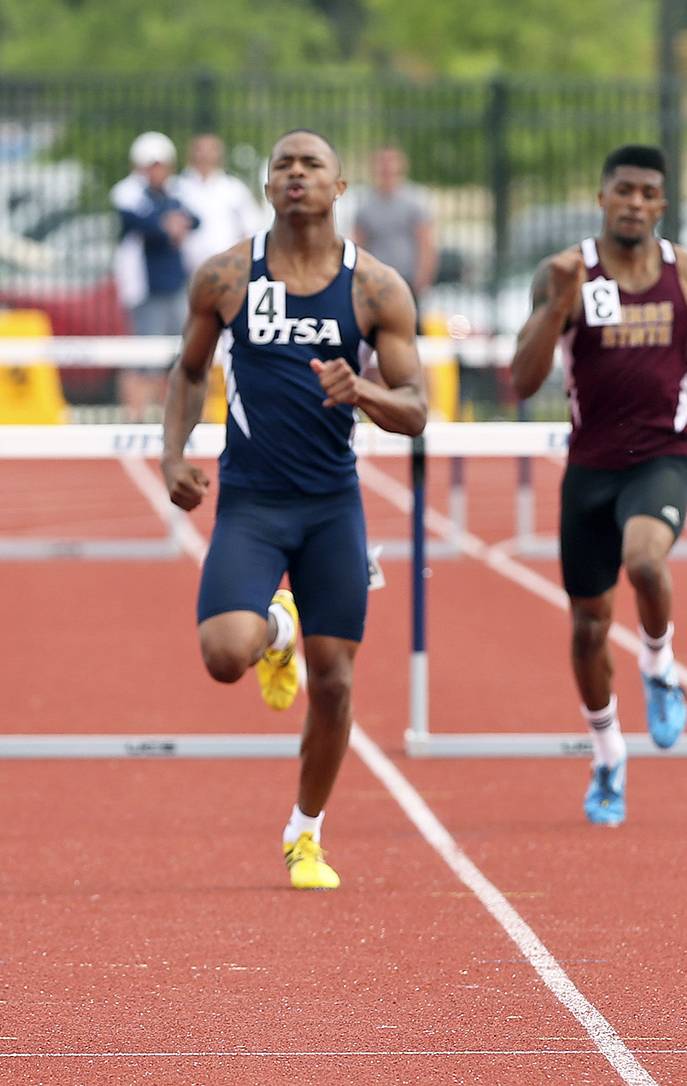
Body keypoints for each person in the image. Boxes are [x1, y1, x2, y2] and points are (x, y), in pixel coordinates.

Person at [161, 129, 426, 890]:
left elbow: (416, 410)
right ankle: (278, 627)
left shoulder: (376, 289)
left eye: (313, 165)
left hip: (331, 506)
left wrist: (363, 390)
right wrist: (175, 455)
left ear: (340, 188)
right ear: (269, 186)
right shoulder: (225, 276)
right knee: (222, 658)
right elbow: (187, 371)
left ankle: (305, 833)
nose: (297, 174)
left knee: (336, 683)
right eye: (284, 165)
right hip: (251, 502)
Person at [509, 143, 687, 827]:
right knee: (589, 629)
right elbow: (523, 380)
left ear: (662, 204)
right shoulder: (564, 272)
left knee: (646, 561)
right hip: (589, 469)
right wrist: (557, 303)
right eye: (623, 190)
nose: (634, 203)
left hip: (662, 458)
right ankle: (608, 753)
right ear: (602, 198)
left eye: (648, 193)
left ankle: (658, 664)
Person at [112, 130, 199, 422]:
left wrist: (169, 224)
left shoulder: (176, 192)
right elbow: (139, 222)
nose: (157, 171)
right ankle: (135, 416)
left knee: (177, 353)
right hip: (146, 288)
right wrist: (167, 226)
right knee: (144, 354)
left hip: (175, 285)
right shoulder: (128, 192)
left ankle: (169, 415)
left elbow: (196, 219)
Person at [351, 146, 439, 313]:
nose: (386, 167)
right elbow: (358, 244)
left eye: (391, 161)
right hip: (374, 279)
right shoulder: (365, 204)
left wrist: (423, 278)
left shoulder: (415, 201)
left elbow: (426, 243)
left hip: (407, 278)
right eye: (382, 162)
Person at [173, 132, 267, 281]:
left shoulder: (233, 189)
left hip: (226, 274)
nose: (205, 155)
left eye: (211, 149)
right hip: (185, 275)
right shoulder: (177, 188)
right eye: (200, 149)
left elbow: (252, 227)